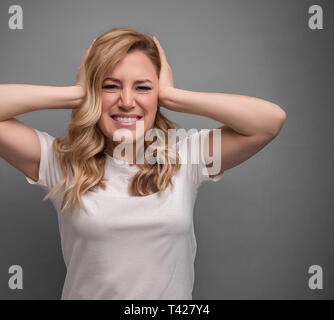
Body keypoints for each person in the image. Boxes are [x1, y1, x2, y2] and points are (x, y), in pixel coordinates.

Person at [0, 27, 286, 300]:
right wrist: (75, 94)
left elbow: (270, 122)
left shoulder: (186, 158)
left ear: (158, 94)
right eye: (110, 86)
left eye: (143, 88)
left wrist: (174, 97)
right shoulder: (61, 162)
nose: (126, 101)